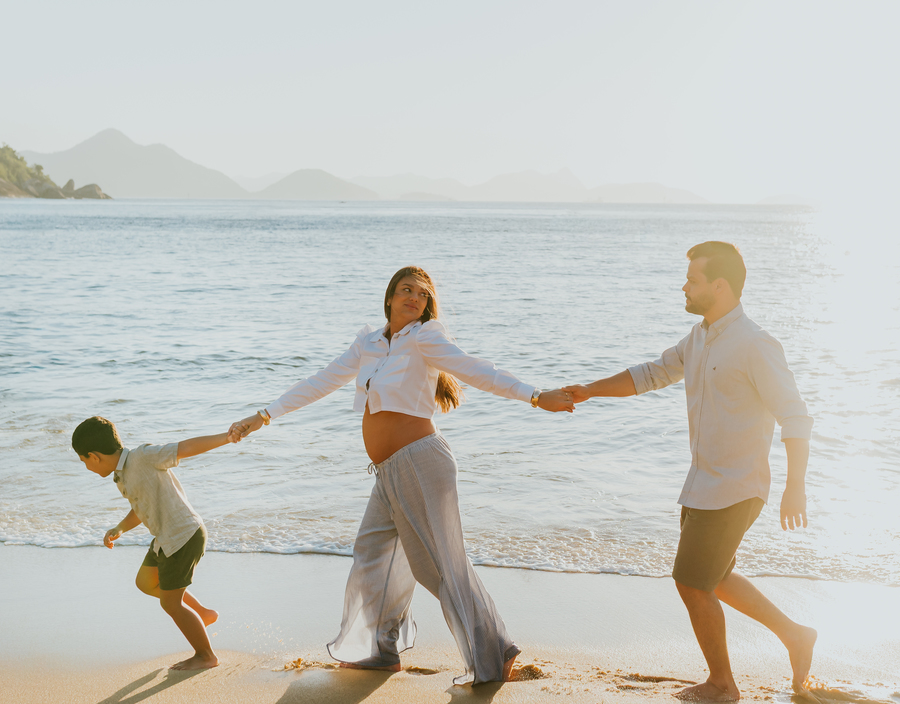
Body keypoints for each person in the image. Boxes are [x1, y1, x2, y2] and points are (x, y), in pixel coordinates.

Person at [228, 266, 574, 685]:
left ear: (428, 305)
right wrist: (263, 415)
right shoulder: (369, 342)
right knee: (373, 555)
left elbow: (476, 369)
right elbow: (320, 380)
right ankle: (379, 651)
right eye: (406, 290)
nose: (414, 297)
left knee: (440, 566)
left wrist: (536, 396)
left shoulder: (425, 337)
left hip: (421, 462)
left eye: (423, 294)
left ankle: (494, 653)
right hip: (389, 471)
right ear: (389, 297)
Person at [565, 241, 817, 701]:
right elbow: (651, 374)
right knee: (715, 576)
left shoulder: (756, 344)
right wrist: (589, 390)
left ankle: (723, 685)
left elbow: (795, 416)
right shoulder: (699, 337)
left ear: (719, 286)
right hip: (701, 484)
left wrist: (795, 486)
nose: (684, 286)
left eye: (693, 280)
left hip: (737, 487)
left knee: (691, 581)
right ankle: (796, 635)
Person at [73, 415, 241, 671]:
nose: (86, 467)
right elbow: (140, 508)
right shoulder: (121, 476)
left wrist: (226, 438)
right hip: (165, 539)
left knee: (170, 603)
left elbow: (184, 448)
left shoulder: (142, 457)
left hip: (183, 536)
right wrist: (119, 528)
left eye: (83, 460)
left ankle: (206, 655)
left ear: (94, 456)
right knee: (145, 582)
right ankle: (202, 615)